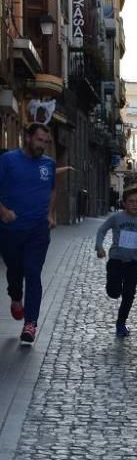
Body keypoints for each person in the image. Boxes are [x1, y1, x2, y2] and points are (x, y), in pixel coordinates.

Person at [0, 123, 58, 344]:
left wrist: (51, 214)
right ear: (27, 137)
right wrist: (3, 211)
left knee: (33, 272)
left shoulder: (49, 164)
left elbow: (52, 189)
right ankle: (16, 297)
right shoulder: (8, 161)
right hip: (10, 230)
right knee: (15, 270)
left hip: (38, 230)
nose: (42, 146)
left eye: (45, 142)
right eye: (39, 140)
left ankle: (30, 323)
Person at [95, 187, 137, 337]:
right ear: (124, 203)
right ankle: (114, 289)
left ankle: (121, 323)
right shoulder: (116, 218)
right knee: (114, 292)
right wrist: (99, 246)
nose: (134, 204)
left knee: (129, 294)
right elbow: (102, 230)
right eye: (131, 201)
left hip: (134, 262)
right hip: (116, 259)